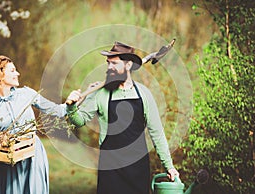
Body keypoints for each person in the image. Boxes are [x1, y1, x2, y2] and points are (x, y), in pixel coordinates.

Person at [66, 41, 180, 194]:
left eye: (114, 63)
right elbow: (79, 121)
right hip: (110, 169)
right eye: (108, 63)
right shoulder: (100, 93)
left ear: (128, 65)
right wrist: (71, 107)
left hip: (138, 169)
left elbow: (157, 134)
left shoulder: (144, 94)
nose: (109, 67)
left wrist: (169, 167)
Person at [0, 55, 68, 194]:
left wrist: (71, 104)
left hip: (33, 155)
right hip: (9, 162)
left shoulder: (26, 93)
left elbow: (57, 110)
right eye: (12, 70)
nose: (17, 73)